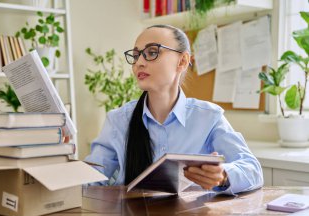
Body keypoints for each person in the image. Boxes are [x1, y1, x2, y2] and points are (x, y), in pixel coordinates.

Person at [84, 24, 263, 195]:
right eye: (136, 55)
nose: (139, 62)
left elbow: (253, 170)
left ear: (182, 61)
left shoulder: (209, 118)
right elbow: (90, 179)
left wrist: (223, 175)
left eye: (151, 53)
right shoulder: (118, 121)